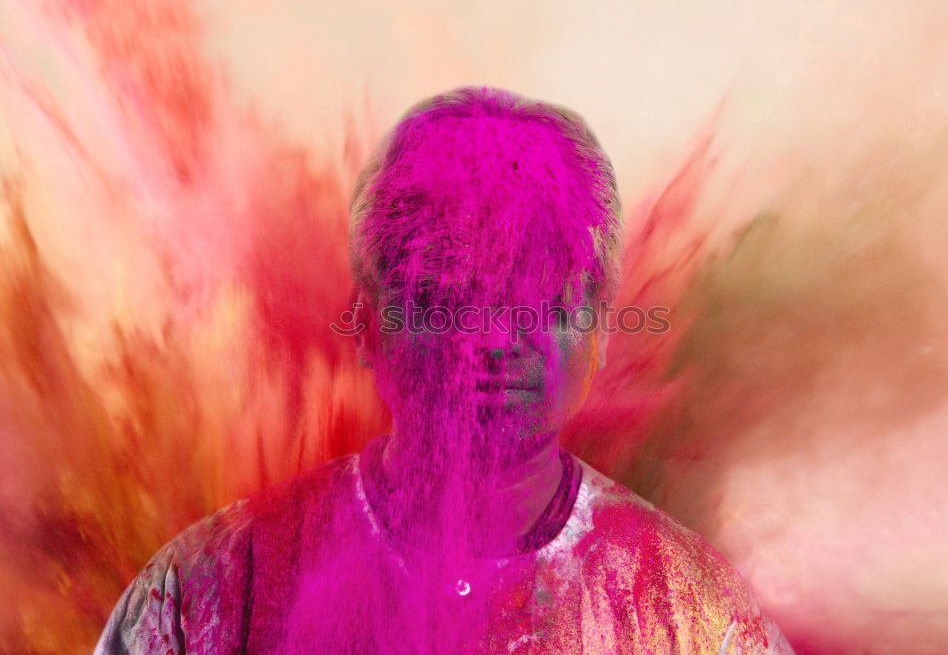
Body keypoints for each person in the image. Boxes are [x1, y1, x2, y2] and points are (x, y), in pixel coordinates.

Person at [96, 86, 794, 654]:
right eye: (450, 297)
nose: (493, 339)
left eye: (537, 297)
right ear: (367, 322)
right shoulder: (211, 595)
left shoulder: (698, 619)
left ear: (599, 326)